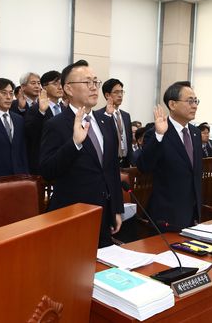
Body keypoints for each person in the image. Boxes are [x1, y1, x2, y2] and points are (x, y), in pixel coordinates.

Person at [39, 60, 123, 248]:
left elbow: (111, 169)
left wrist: (116, 209)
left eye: (96, 82)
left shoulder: (105, 121)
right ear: (68, 88)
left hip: (104, 214)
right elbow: (47, 170)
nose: (94, 88)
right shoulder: (57, 124)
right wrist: (74, 143)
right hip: (72, 216)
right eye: (87, 83)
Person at [136, 81, 202, 230]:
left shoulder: (195, 133)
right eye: (190, 101)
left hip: (193, 213)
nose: (195, 105)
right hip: (167, 215)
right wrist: (159, 135)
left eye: (196, 101)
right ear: (172, 105)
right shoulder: (156, 132)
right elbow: (143, 166)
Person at [24, 70, 65, 174]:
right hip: (43, 163)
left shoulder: (65, 109)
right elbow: (30, 134)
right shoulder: (36, 109)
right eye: (55, 84)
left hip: (64, 162)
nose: (60, 87)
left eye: (61, 83)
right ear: (44, 87)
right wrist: (41, 112)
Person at [95, 78, 133, 168]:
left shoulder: (126, 116)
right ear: (107, 95)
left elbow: (129, 140)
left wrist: (131, 161)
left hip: (125, 162)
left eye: (121, 92)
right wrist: (108, 115)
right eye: (116, 92)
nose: (120, 95)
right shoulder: (98, 115)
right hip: (109, 162)